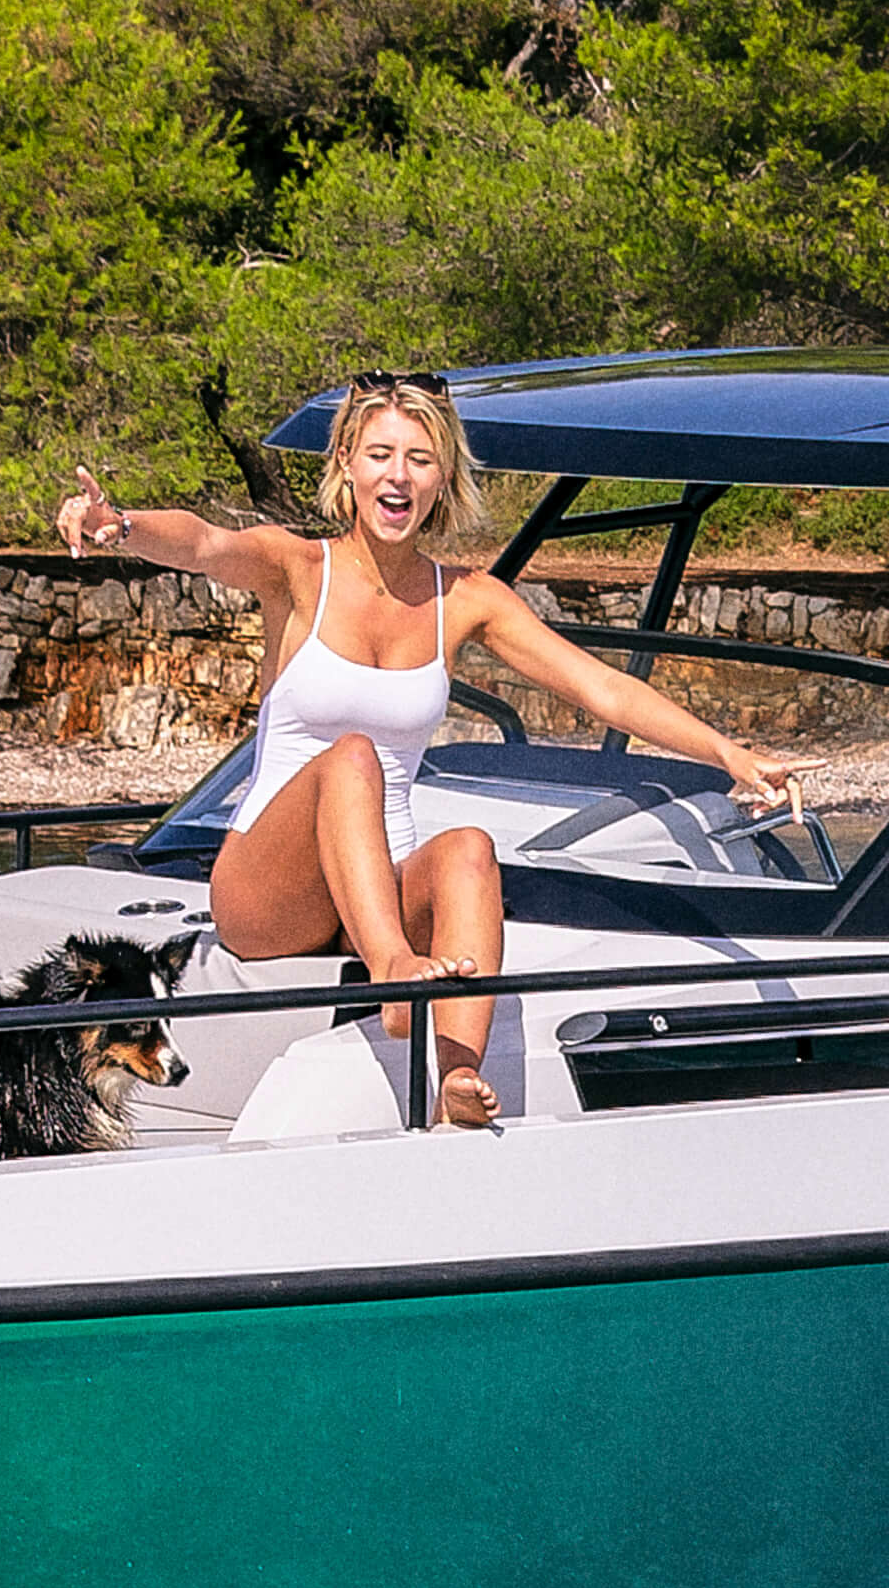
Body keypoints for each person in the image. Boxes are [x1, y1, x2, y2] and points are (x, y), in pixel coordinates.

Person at [58, 377, 805, 1129]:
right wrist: (119, 525)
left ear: (442, 476)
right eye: (380, 454)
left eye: (419, 458)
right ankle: (394, 979)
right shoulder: (297, 569)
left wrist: (728, 753)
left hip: (374, 887)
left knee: (470, 852)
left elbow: (601, 689)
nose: (398, 475)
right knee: (352, 757)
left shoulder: (466, 597)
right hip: (267, 891)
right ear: (347, 462)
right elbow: (204, 543)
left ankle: (457, 1078)